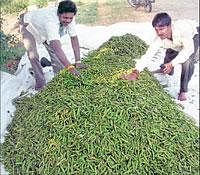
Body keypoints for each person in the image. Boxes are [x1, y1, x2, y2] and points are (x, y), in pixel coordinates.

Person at [121, 12, 199, 101]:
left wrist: (172, 64)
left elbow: (188, 50)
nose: (159, 33)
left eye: (161, 29)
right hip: (175, 41)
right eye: (156, 30)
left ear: (169, 26)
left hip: (193, 35)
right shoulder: (159, 37)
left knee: (188, 61)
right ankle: (167, 70)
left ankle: (183, 90)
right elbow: (149, 54)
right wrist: (136, 71)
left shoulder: (183, 30)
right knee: (171, 50)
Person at [19, 0, 88, 90]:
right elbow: (56, 47)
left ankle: (54, 71)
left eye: (70, 18)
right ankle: (40, 85)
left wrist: (78, 61)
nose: (68, 20)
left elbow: (74, 38)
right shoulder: (51, 21)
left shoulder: (70, 16)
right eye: (65, 18)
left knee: (56, 56)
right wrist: (70, 67)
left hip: (42, 28)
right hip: (28, 24)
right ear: (59, 14)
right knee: (33, 55)